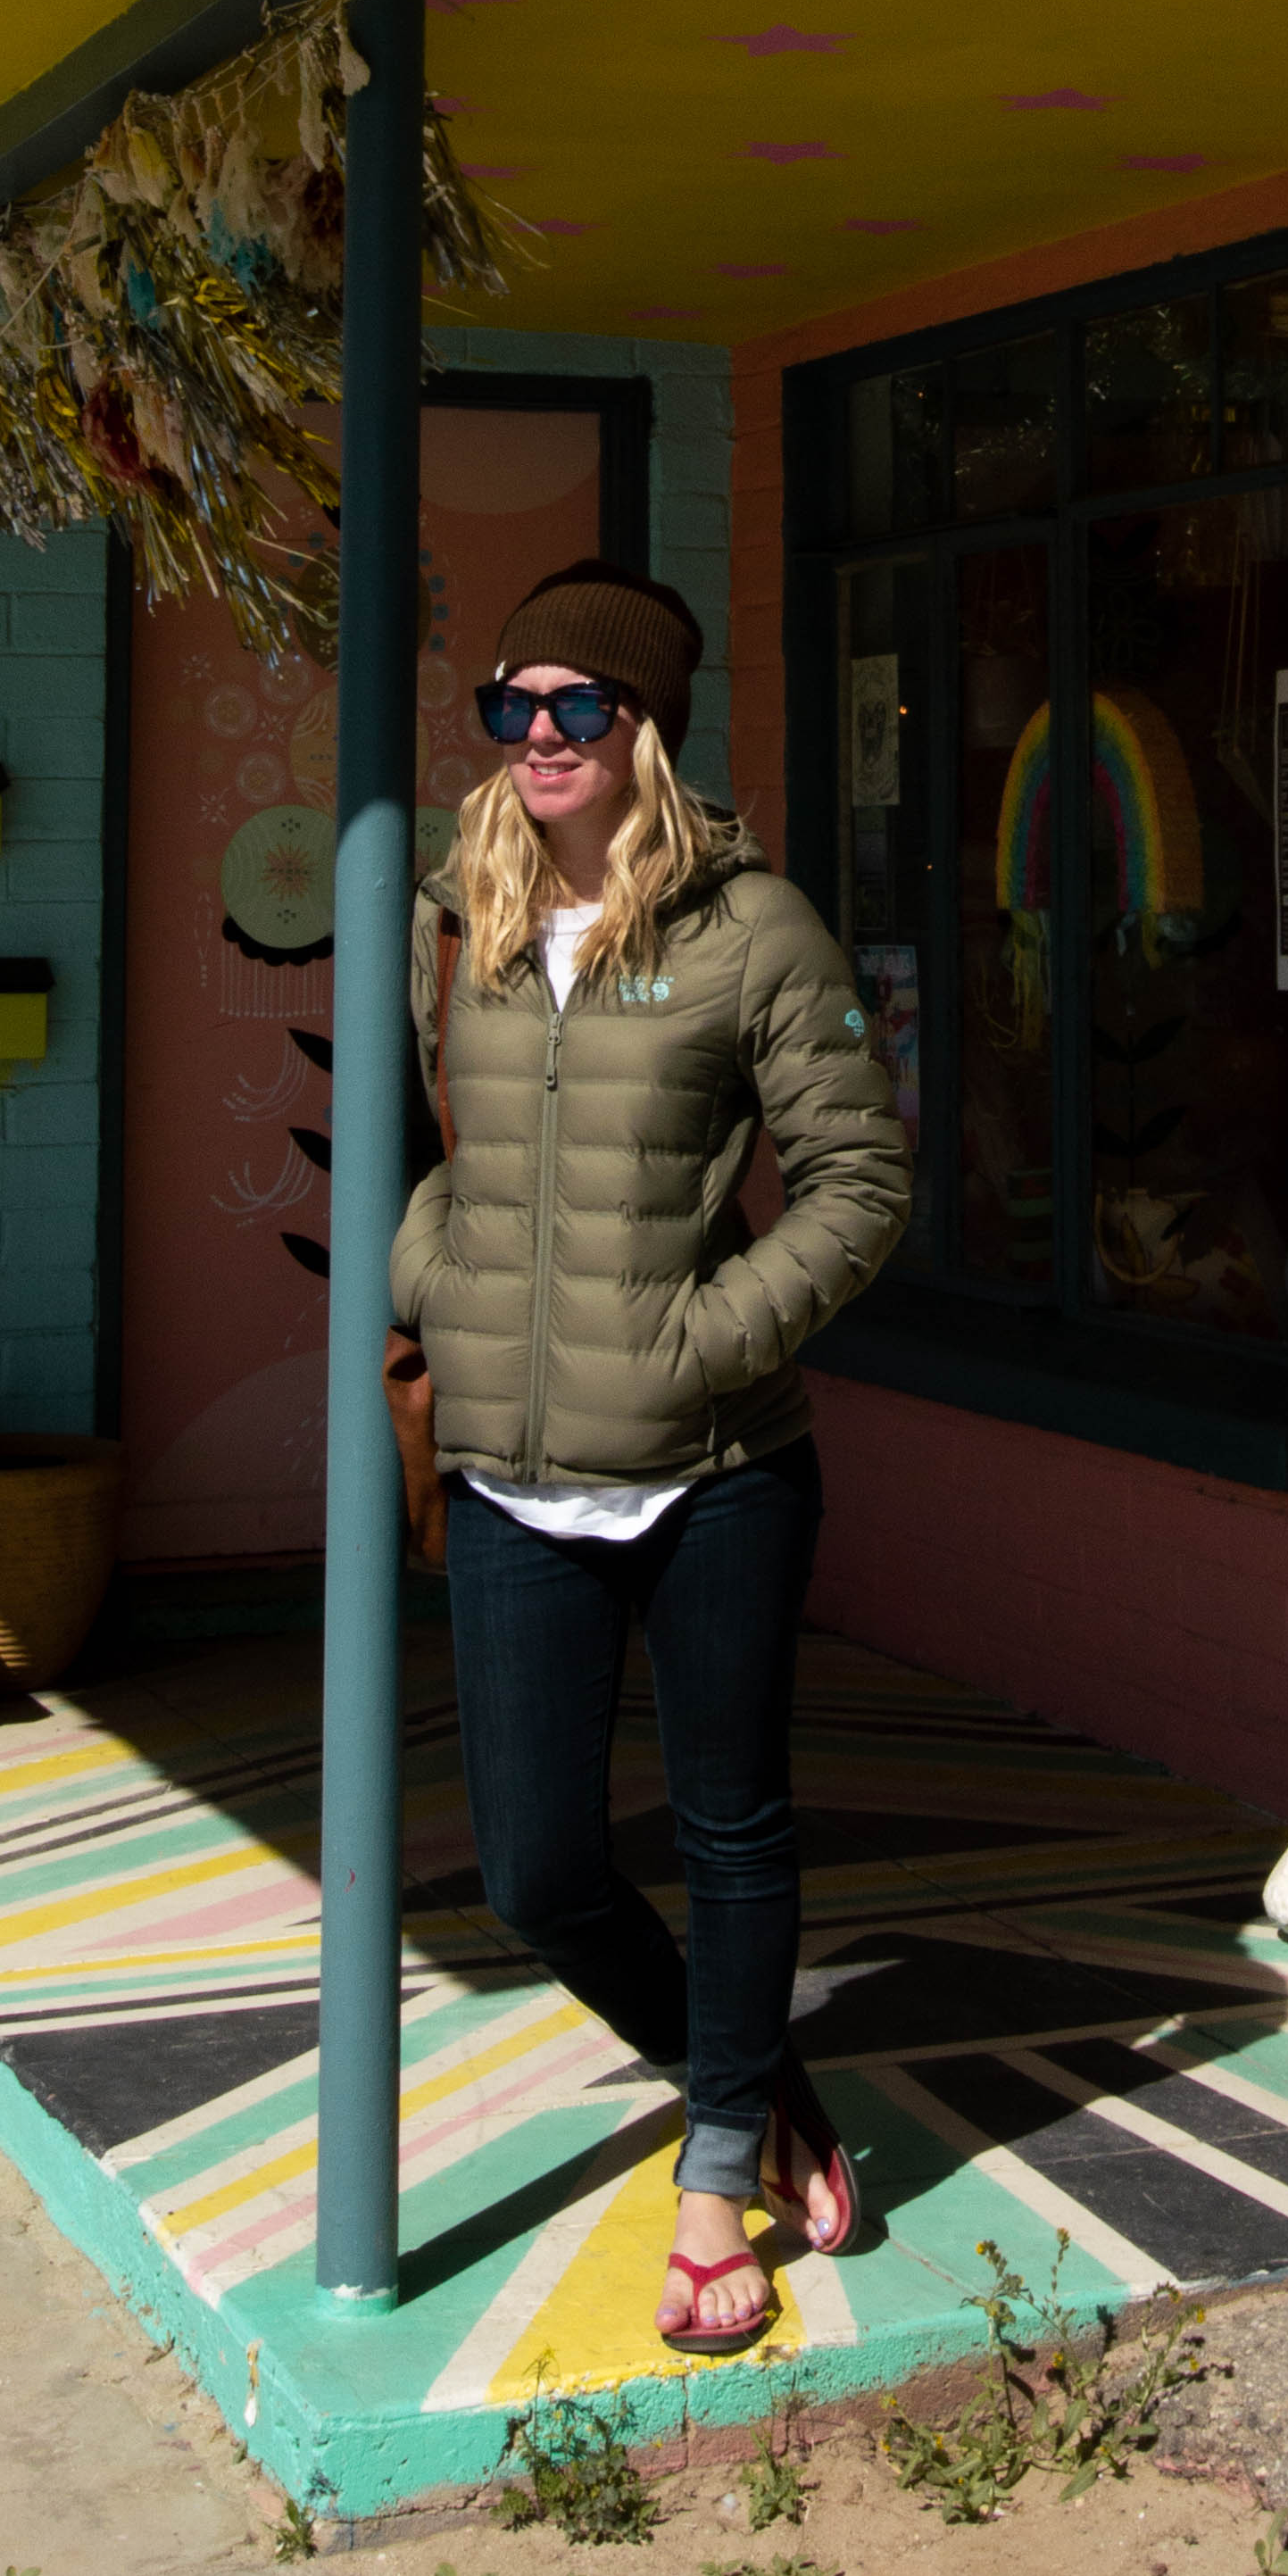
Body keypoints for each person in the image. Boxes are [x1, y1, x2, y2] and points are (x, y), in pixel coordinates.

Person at [392, 561, 908, 2357]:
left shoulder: (753, 928)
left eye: (573, 707)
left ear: (642, 727)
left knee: (726, 1826)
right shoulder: (461, 909)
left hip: (711, 1471)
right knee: (534, 1865)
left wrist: (702, 1338)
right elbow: (448, 1151)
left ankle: (711, 2188)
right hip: (511, 1471)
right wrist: (427, 1277)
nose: (535, 736)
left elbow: (861, 1182)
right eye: (509, 706)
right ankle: (758, 2082)